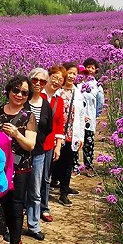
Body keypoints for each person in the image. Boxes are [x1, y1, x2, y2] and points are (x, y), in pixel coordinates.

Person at [0, 75, 37, 244]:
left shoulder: (28, 116)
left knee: (17, 206)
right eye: (16, 90)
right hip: (0, 167)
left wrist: (17, 134)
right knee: (5, 205)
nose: (19, 95)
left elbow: (30, 145)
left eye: (24, 92)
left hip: (20, 167)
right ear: (8, 91)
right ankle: (14, 240)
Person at [24, 68, 53, 240]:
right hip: (20, 154)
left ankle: (33, 225)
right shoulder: (21, 99)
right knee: (17, 190)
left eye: (43, 82)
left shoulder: (46, 105)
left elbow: (48, 128)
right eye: (35, 80)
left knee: (35, 190)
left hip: (38, 154)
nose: (38, 84)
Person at [51, 62, 84, 206]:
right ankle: (51, 184)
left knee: (68, 164)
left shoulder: (78, 93)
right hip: (56, 133)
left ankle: (63, 193)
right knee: (53, 162)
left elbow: (81, 116)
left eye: (74, 74)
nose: (71, 76)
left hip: (71, 133)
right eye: (69, 73)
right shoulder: (56, 91)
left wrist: (81, 136)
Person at [39, 66, 66, 222]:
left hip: (49, 144)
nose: (56, 81)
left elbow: (59, 123)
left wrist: (58, 145)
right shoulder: (37, 95)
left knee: (45, 177)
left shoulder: (59, 100)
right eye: (54, 77)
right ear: (48, 77)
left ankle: (44, 207)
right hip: (33, 142)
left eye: (60, 80)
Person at [78, 58, 104, 177]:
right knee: (75, 142)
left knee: (89, 143)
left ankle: (88, 166)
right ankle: (75, 167)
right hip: (77, 118)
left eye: (92, 67)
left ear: (95, 70)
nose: (89, 69)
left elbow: (100, 103)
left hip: (90, 118)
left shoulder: (97, 86)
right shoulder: (78, 83)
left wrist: (94, 115)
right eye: (87, 67)